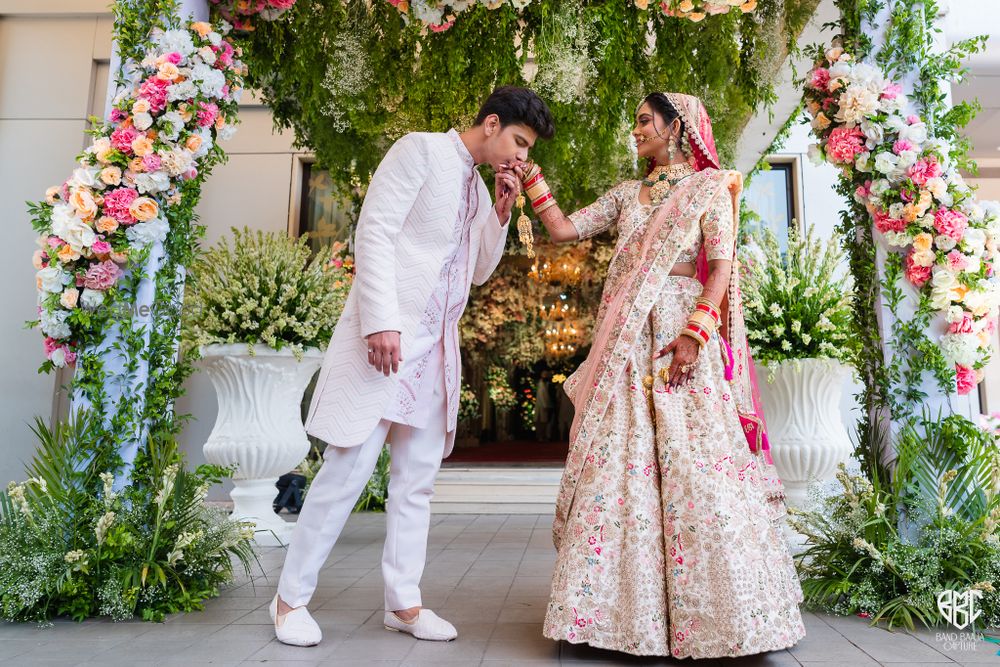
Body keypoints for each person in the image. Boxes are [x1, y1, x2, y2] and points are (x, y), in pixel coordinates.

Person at [516, 92, 805, 658]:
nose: (636, 131)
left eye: (645, 122)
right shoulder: (628, 194)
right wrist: (532, 178)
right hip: (625, 335)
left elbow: (721, 267)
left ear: (677, 128)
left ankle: (728, 614)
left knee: (695, 459)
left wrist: (697, 334)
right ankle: (614, 615)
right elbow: (565, 230)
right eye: (635, 123)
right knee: (618, 460)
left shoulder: (710, 188)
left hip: (679, 331)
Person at [270, 86, 554, 647]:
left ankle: (403, 603)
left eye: (526, 149)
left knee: (416, 482)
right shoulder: (419, 150)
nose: (521, 158)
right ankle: (289, 600)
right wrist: (380, 321)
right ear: (491, 123)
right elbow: (374, 229)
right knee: (346, 472)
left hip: (435, 353)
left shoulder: (478, 188)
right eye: (518, 142)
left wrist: (499, 214)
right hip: (389, 340)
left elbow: (476, 272)